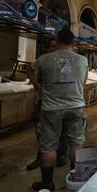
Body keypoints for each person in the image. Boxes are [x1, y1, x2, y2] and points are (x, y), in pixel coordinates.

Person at [28, 30, 88, 191]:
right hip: (76, 107)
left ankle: (47, 183)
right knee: (76, 142)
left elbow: (29, 69)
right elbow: (83, 82)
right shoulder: (82, 60)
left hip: (51, 109)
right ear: (73, 43)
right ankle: (77, 177)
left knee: (48, 146)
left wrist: (38, 86)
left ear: (57, 40)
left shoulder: (44, 59)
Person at [26, 38, 68, 171]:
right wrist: (36, 85)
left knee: (62, 130)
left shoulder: (63, 62)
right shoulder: (43, 60)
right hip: (43, 101)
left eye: (57, 46)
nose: (55, 49)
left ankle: (61, 155)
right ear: (48, 48)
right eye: (52, 46)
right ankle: (41, 157)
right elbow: (30, 69)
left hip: (61, 102)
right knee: (41, 131)